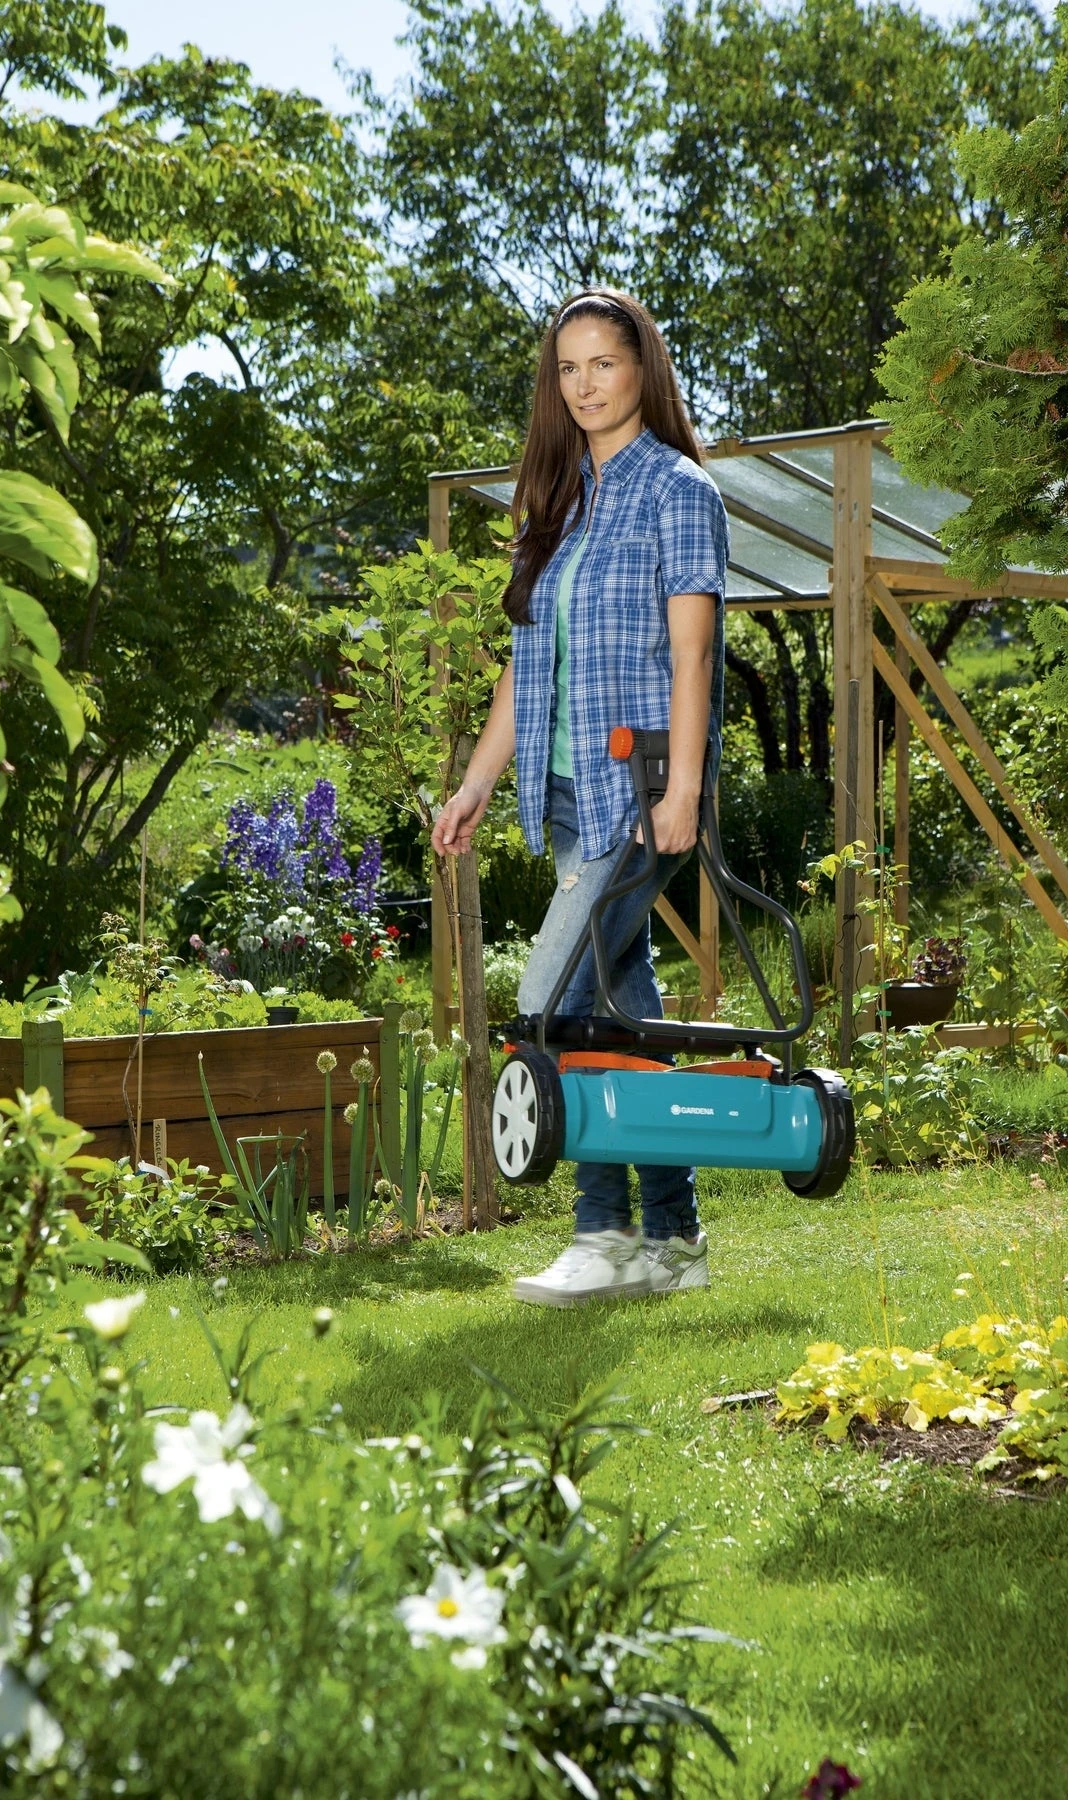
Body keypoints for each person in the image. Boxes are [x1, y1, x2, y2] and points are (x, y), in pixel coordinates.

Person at [431, 288, 728, 1306]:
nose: (586, 384)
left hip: (641, 790)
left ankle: (600, 1231)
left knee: (555, 998)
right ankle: (672, 1241)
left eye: (605, 362)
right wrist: (476, 781)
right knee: (619, 1000)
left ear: (643, 367)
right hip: (563, 792)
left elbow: (692, 657)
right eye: (569, 368)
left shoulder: (679, 491)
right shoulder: (552, 505)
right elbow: (526, 670)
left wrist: (682, 789)